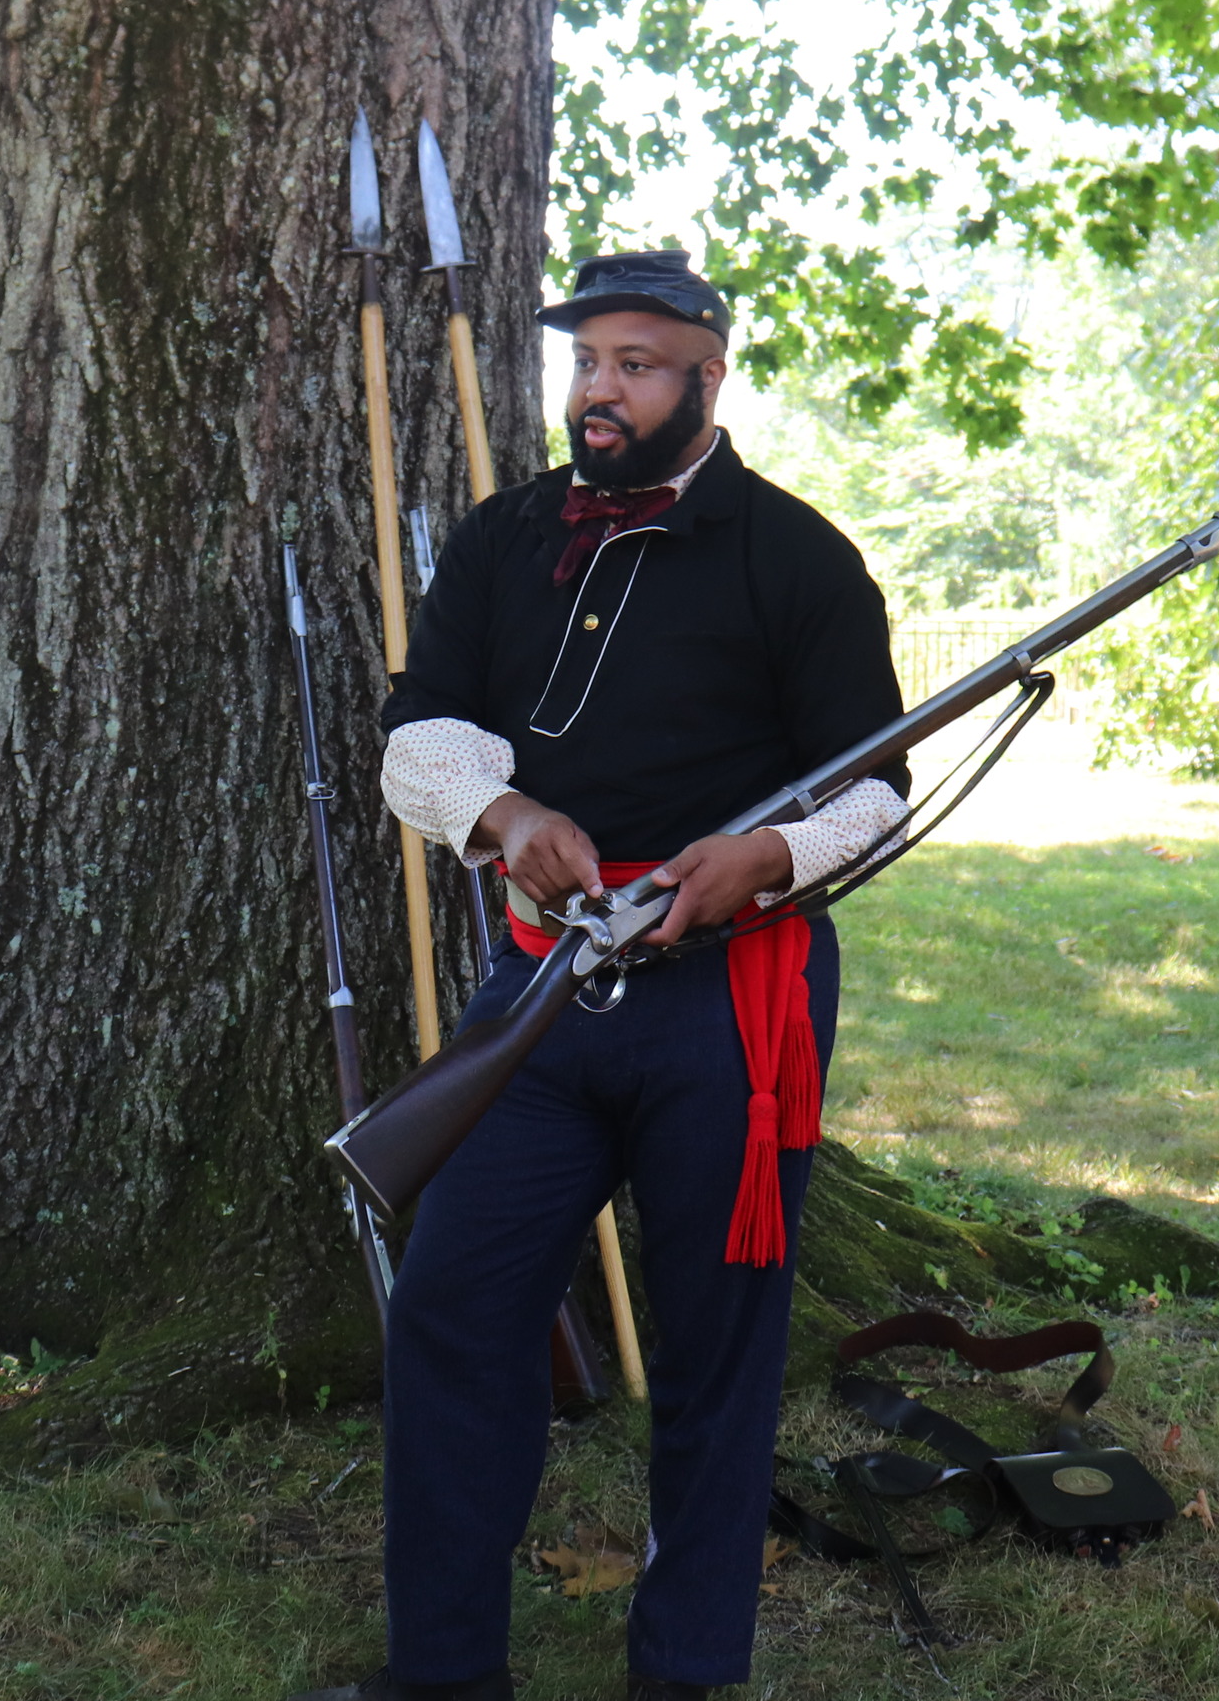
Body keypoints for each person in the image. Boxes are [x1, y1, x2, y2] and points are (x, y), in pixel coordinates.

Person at [305, 250, 913, 1701]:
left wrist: (759, 862)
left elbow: (878, 793)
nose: (601, 390)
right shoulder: (509, 539)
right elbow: (417, 736)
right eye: (588, 363)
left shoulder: (800, 558)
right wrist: (505, 817)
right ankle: (443, 1678)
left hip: (733, 1009)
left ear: (710, 375)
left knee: (717, 1355)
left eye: (638, 364)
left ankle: (685, 1673)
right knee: (453, 1313)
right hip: (542, 995)